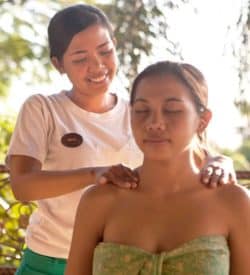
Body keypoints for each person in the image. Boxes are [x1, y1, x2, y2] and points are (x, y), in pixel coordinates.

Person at [6, 4, 236, 275]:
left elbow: (191, 152)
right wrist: (96, 174)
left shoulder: (139, 111)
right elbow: (23, 186)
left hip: (117, 260)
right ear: (58, 64)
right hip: (50, 260)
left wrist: (221, 161)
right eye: (80, 58)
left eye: (105, 51)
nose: (97, 65)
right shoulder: (43, 109)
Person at [65, 61, 250, 275]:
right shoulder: (99, 202)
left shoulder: (234, 203)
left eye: (172, 110)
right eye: (142, 110)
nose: (154, 122)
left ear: (202, 120)